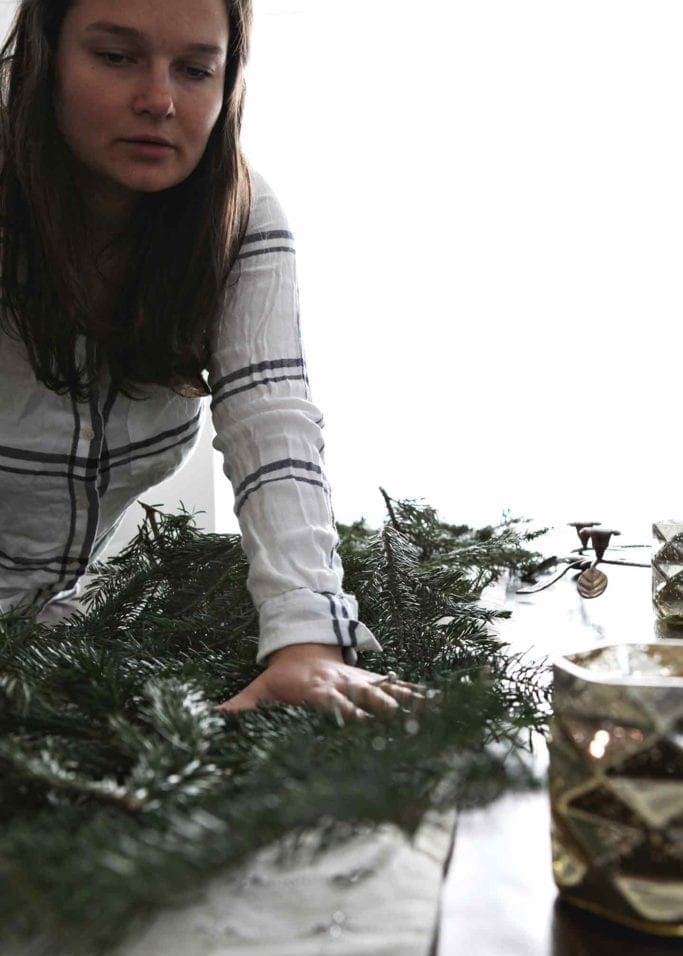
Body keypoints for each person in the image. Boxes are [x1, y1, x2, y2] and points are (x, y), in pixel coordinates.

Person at [0, 0, 420, 719]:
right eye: (116, 57)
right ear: (47, 57)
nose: (159, 100)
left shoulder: (237, 216)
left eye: (195, 70)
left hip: (40, 648)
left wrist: (308, 642)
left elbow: (272, 420)